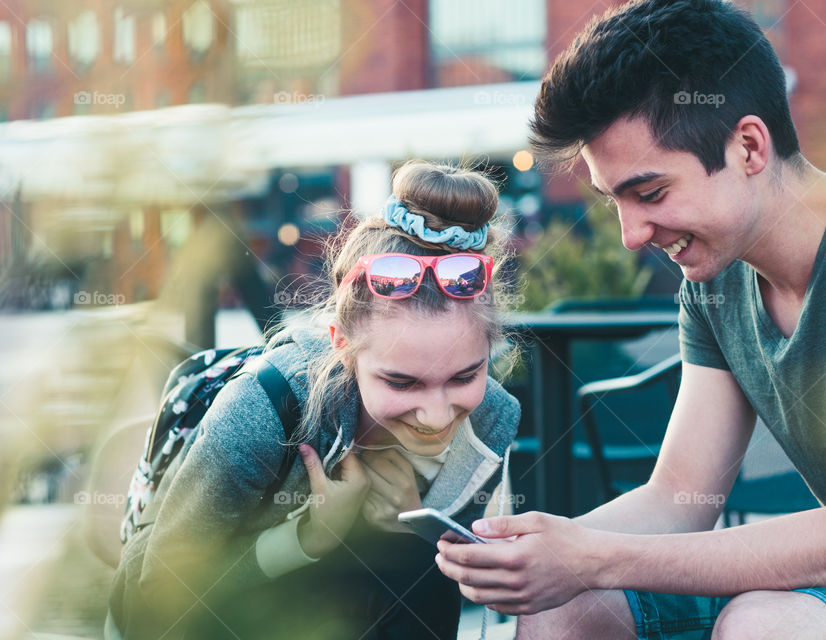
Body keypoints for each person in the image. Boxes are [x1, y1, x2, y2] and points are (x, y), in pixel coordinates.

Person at [435, 1, 826, 638]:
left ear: (748, 146)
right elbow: (681, 499)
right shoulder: (715, 280)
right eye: (615, 201)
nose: (632, 235)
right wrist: (525, 548)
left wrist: (593, 558)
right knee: (569, 607)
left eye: (651, 193)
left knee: (764, 624)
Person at [106, 160, 521, 640]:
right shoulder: (265, 405)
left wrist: (419, 527)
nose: (436, 415)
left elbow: (449, 588)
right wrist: (306, 538)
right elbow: (158, 594)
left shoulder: (491, 419)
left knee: (418, 567)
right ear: (341, 343)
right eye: (402, 383)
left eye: (465, 375)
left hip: (338, 610)